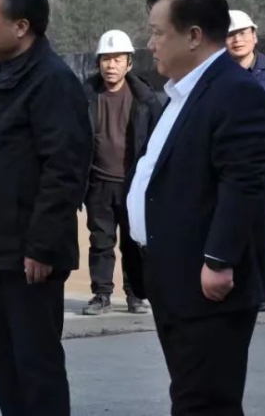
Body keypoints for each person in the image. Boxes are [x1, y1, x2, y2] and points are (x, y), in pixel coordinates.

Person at [126, 0, 265, 416]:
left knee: (205, 401)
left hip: (208, 283)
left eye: (158, 33)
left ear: (193, 36)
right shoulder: (182, 94)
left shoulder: (236, 93)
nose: (150, 44)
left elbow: (244, 183)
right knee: (193, 394)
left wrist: (219, 260)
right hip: (174, 275)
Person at [0, 0, 93, 416]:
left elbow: (64, 170)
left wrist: (43, 245)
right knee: (3, 361)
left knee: (36, 366)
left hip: (30, 255)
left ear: (21, 26)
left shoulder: (52, 82)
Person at [81, 30, 162, 316]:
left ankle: (135, 295)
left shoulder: (145, 98)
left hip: (133, 184)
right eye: (106, 59)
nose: (111, 65)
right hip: (98, 182)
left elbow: (158, 141)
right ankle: (101, 294)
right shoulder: (84, 96)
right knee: (100, 241)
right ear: (98, 63)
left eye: (117, 59)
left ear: (129, 64)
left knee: (133, 242)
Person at [226, 9, 265, 312]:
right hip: (226, 170)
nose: (237, 39)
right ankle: (235, 290)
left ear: (254, 35)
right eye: (230, 35)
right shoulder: (217, 76)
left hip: (264, 171)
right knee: (229, 229)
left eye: (242, 33)